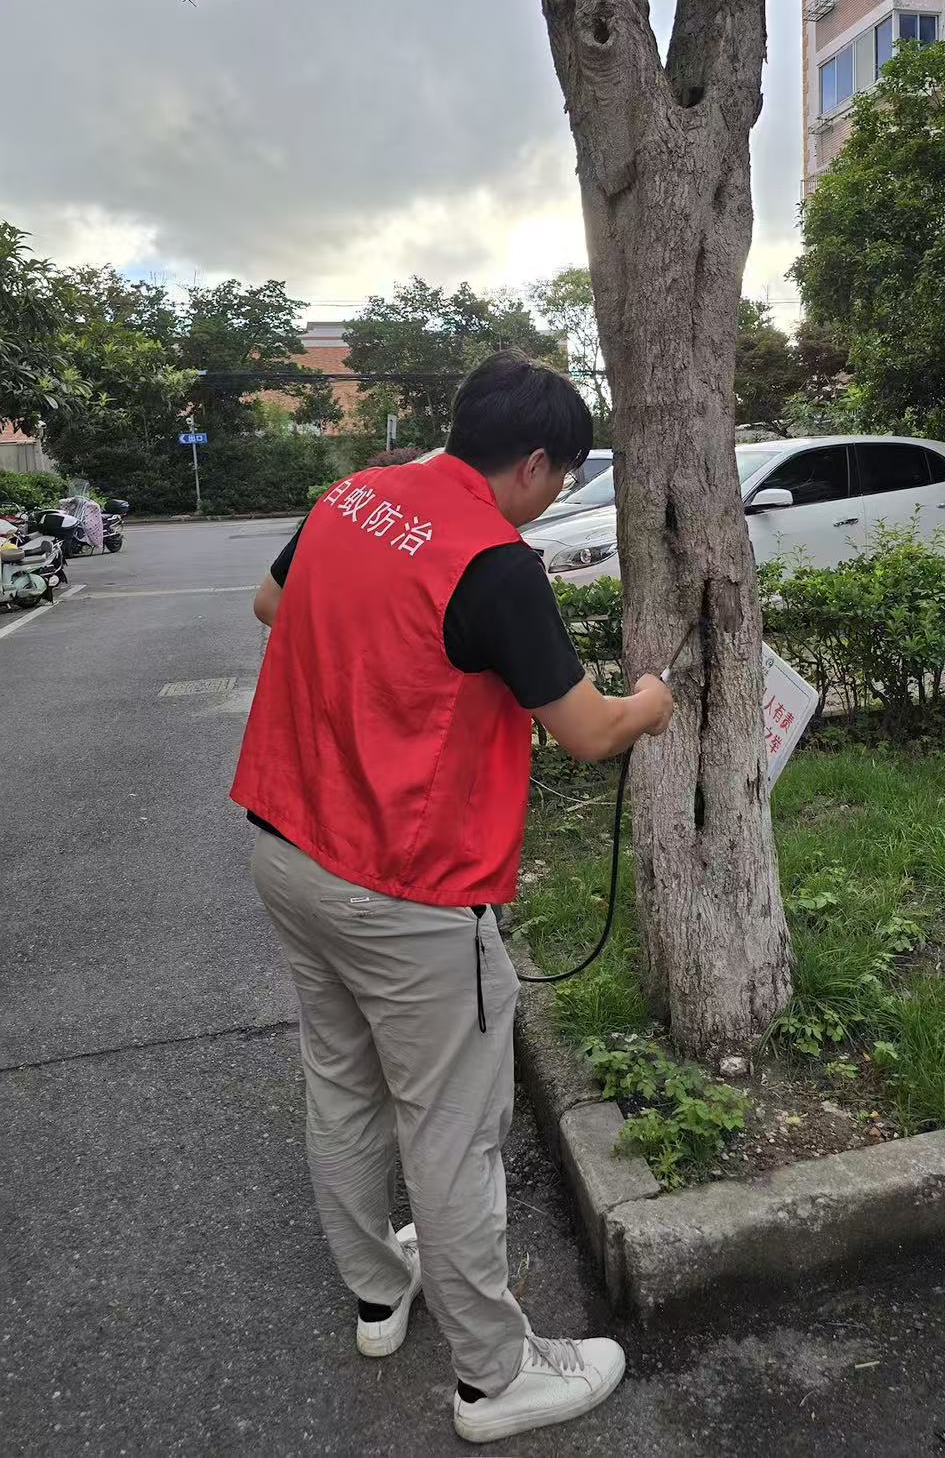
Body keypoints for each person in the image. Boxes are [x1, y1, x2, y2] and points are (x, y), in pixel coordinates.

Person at [230, 352, 673, 1444]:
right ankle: (494, 1377)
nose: (557, 497)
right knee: (453, 1132)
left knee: (339, 1079)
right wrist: (653, 700)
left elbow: (267, 600)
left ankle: (381, 1294)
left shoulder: (356, 495)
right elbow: (584, 732)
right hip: (405, 888)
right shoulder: (494, 563)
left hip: (286, 845)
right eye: (562, 479)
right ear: (530, 464)